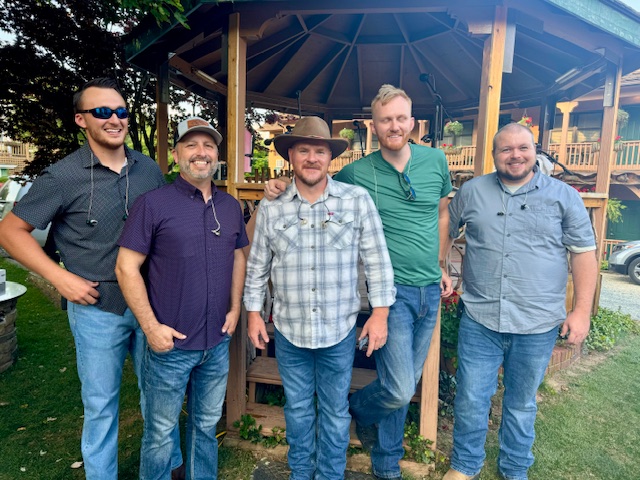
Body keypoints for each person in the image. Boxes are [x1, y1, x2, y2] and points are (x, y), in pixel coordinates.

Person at [263, 85, 453, 480]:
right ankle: (352, 412)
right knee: (399, 387)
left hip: (430, 289)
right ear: (374, 126)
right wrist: (279, 186)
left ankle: (386, 465)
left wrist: (443, 264)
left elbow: (440, 215)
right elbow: (315, 181)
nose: (394, 126)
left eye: (400, 118)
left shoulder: (436, 161)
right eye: (385, 120)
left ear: (412, 122)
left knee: (403, 384)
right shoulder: (355, 173)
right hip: (391, 293)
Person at [0, 78, 184, 479]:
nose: (114, 119)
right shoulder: (61, 176)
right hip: (97, 307)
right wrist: (58, 277)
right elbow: (10, 232)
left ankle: (168, 466)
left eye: (121, 111)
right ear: (81, 119)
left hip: (152, 304)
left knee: (160, 395)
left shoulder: (148, 169)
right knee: (101, 405)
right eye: (102, 112)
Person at [244, 116, 396, 479]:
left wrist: (380, 314)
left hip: (338, 329)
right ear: (291, 156)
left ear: (330, 157)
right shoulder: (272, 206)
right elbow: (257, 264)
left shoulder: (356, 201)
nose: (312, 158)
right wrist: (253, 313)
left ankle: (330, 474)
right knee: (297, 409)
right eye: (303, 150)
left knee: (334, 410)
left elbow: (378, 260)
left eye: (319, 151)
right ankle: (301, 473)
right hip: (289, 329)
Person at [443, 123, 598, 480]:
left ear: (535, 151)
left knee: (521, 403)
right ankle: (464, 465)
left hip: (537, 323)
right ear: (494, 155)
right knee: (470, 398)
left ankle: (514, 468)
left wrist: (581, 311)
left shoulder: (564, 196)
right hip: (480, 318)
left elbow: (584, 254)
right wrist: (440, 265)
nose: (515, 155)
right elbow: (445, 225)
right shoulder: (472, 192)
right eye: (506, 149)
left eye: (523, 148)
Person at [115, 117, 248, 480]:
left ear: (217, 155)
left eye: (208, 146)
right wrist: (150, 327)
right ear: (175, 155)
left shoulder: (230, 206)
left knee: (206, 425)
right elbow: (126, 268)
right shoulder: (152, 204)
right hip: (169, 347)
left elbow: (239, 256)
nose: (201, 153)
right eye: (191, 145)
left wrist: (235, 307)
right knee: (160, 433)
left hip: (217, 342)